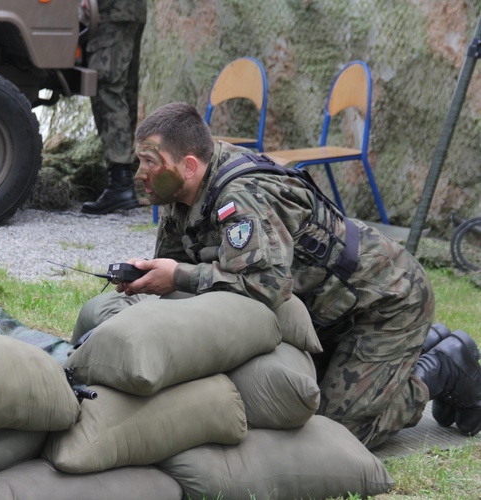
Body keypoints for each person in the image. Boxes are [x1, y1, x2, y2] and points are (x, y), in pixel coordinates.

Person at [71, 101, 481, 449]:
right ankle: (413, 348)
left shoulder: (241, 198)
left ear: (189, 164)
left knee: (336, 432)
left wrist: (177, 276)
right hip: (329, 312)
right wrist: (150, 279)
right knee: (290, 396)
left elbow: (262, 289)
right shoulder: (182, 194)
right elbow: (186, 284)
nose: (139, 173)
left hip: (384, 302)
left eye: (148, 162)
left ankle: (443, 365)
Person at [80, 0, 147, 214]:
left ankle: (120, 183)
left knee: (107, 91)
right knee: (125, 92)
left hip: (112, 12)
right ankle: (125, 178)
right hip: (129, 11)